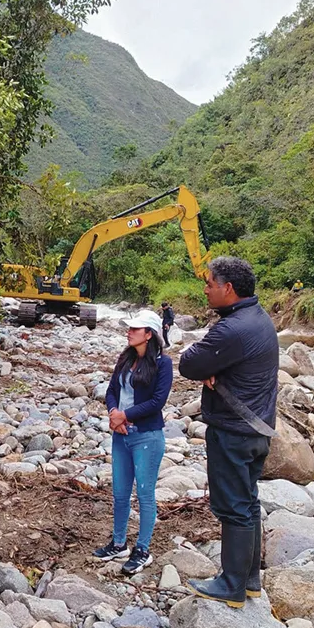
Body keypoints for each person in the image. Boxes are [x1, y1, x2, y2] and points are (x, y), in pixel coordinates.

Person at [178, 257, 279, 607]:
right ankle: (250, 580)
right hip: (258, 428)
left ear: (228, 289)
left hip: (234, 430)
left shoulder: (232, 329)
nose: (205, 289)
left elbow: (189, 363)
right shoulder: (258, 318)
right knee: (248, 502)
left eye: (209, 283)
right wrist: (215, 367)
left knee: (233, 507)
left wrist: (212, 367)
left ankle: (232, 585)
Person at [93, 309, 173, 575]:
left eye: (135, 329)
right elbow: (112, 390)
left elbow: (157, 402)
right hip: (122, 435)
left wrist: (124, 416)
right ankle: (118, 543)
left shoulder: (163, 364)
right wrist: (114, 415)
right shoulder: (126, 359)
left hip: (147, 437)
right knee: (119, 492)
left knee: (145, 494)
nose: (129, 332)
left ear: (148, 334)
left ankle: (143, 549)